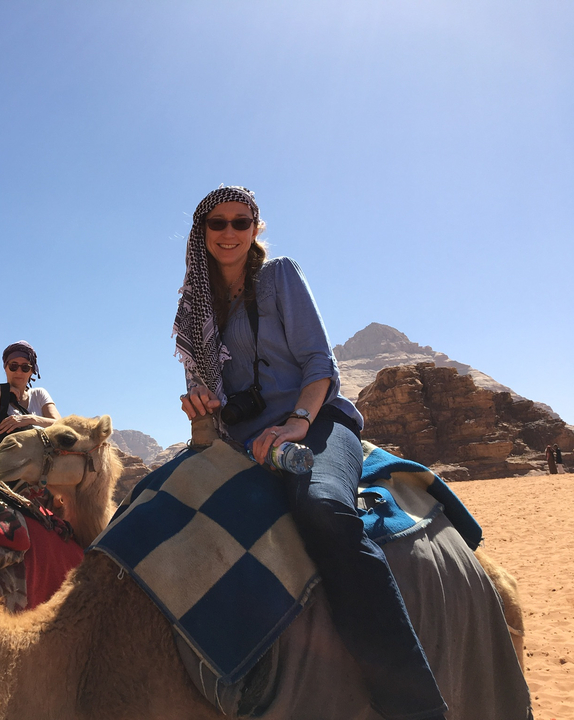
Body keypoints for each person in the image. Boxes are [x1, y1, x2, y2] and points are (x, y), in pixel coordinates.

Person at [173, 185, 447, 720]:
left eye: (240, 222)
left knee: (322, 508)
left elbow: (320, 363)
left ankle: (413, 704)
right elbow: (205, 394)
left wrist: (297, 422)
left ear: (256, 228)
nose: (229, 232)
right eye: (217, 223)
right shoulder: (194, 311)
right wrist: (200, 404)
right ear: (201, 233)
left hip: (315, 423)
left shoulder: (279, 277)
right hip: (245, 443)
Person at [0, 341, 61, 458]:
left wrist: (29, 419)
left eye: (25, 367)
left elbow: (61, 424)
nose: (19, 371)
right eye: (13, 366)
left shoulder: (38, 394)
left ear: (32, 371)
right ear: (5, 367)